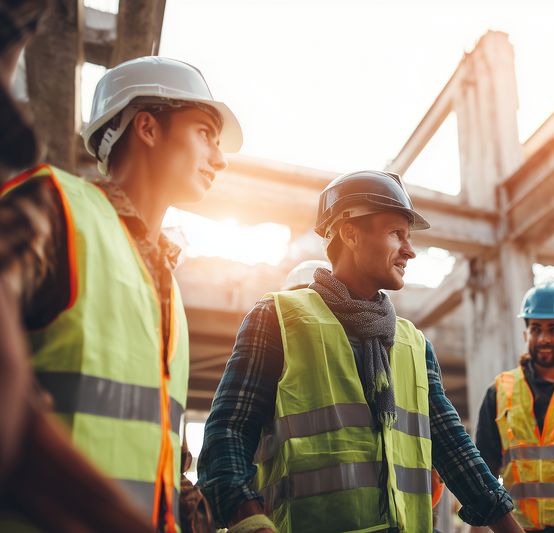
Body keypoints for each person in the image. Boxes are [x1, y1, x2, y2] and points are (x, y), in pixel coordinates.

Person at [199, 170, 524, 532]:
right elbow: (227, 433)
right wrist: (249, 520)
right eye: (396, 233)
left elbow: (454, 448)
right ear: (350, 233)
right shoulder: (277, 320)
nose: (410, 250)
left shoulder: (414, 344)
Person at [0, 55, 242, 532]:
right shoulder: (54, 209)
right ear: (147, 127)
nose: (220, 157)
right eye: (204, 134)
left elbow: (166, 460)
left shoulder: (165, 283)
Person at [475, 282, 554, 532]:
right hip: (518, 528)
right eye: (535, 329)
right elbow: (483, 472)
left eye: (553, 329)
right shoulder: (499, 392)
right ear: (526, 335)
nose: (543, 338)